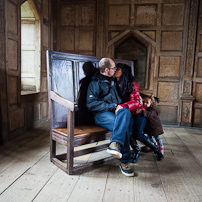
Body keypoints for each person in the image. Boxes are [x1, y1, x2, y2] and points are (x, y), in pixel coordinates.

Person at [86, 58, 134, 177]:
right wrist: (112, 106)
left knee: (125, 113)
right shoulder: (94, 83)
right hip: (102, 114)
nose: (115, 69)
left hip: (115, 112)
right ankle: (125, 161)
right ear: (107, 70)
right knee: (124, 126)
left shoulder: (112, 81)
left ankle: (114, 144)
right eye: (113, 68)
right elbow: (91, 104)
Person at [114, 63, 164, 163]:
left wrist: (123, 106)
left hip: (139, 112)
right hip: (128, 113)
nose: (115, 70)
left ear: (124, 71)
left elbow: (136, 101)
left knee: (138, 134)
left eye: (118, 69)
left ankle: (156, 150)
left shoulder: (133, 83)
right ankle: (137, 152)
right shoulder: (115, 82)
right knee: (128, 133)